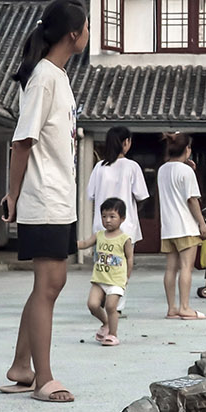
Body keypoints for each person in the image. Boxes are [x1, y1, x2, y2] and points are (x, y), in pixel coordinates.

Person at [0, 0, 89, 403]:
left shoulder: (58, 78)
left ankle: (22, 364)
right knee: (49, 283)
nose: (88, 35)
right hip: (43, 196)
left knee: (49, 284)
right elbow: (22, 142)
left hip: (58, 196)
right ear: (73, 34)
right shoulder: (44, 77)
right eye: (86, 29)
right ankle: (44, 377)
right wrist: (13, 195)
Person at [86, 126, 147, 315]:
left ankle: (100, 301)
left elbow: (92, 195)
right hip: (125, 228)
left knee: (103, 264)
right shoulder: (132, 166)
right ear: (126, 143)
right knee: (122, 266)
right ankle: (117, 306)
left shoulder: (99, 167)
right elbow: (141, 196)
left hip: (101, 226)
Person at [157, 131, 206, 319]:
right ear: (187, 149)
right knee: (186, 267)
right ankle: (185, 307)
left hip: (168, 227)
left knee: (170, 268)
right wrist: (202, 225)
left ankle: (171, 308)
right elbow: (192, 200)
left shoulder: (162, 169)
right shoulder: (186, 171)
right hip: (186, 226)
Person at [77, 197, 132, 346]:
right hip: (99, 279)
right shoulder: (99, 235)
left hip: (116, 280)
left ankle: (113, 335)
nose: (107, 220)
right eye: (104, 216)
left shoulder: (124, 239)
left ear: (122, 218)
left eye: (112, 217)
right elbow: (84, 244)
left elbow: (129, 258)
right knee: (93, 305)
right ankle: (106, 323)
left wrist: (126, 277)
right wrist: (69, 244)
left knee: (110, 306)